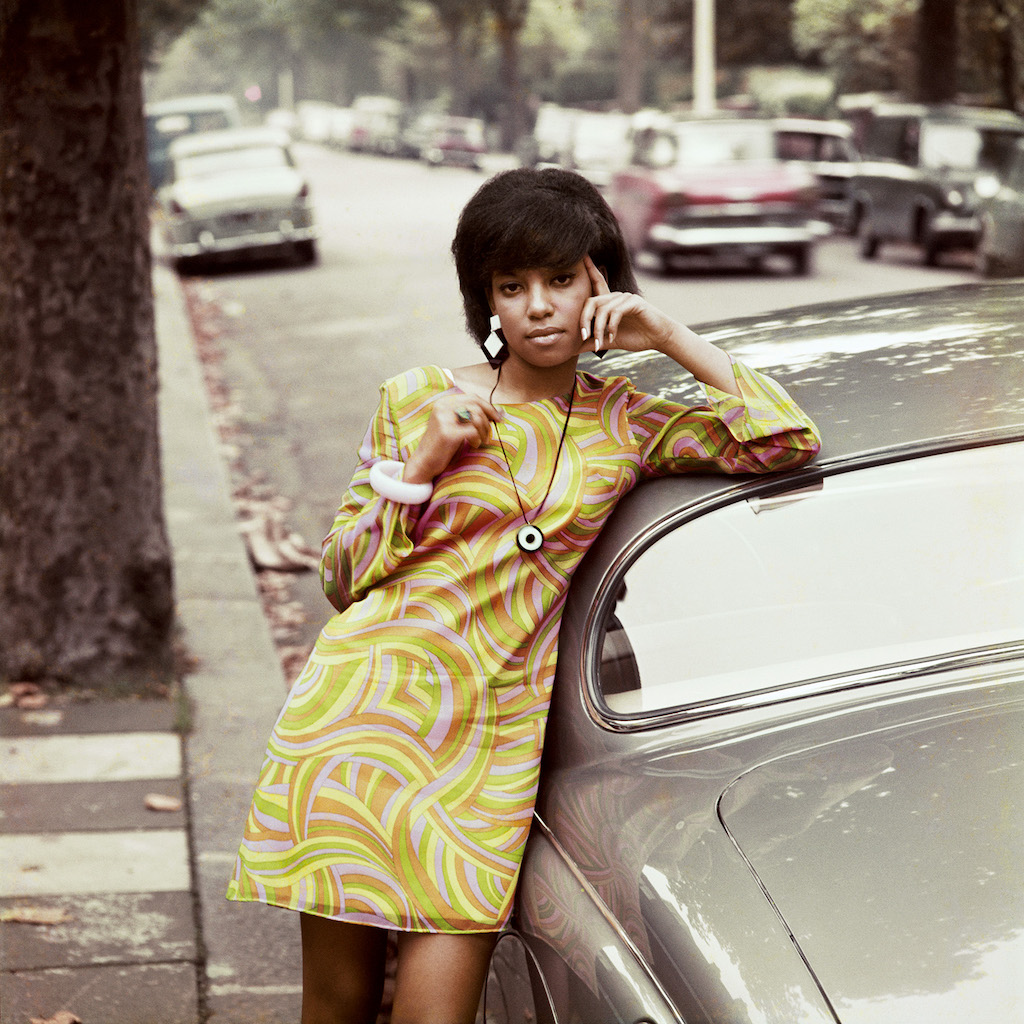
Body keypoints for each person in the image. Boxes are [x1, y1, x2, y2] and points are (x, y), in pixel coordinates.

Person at [226, 167, 821, 1024]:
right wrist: (419, 469)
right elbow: (341, 577)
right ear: (488, 303)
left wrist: (668, 333)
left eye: (560, 278)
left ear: (600, 283)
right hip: (359, 731)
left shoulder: (627, 420)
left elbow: (784, 440)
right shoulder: (415, 401)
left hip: (484, 755)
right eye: (512, 286)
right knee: (339, 1006)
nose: (538, 305)